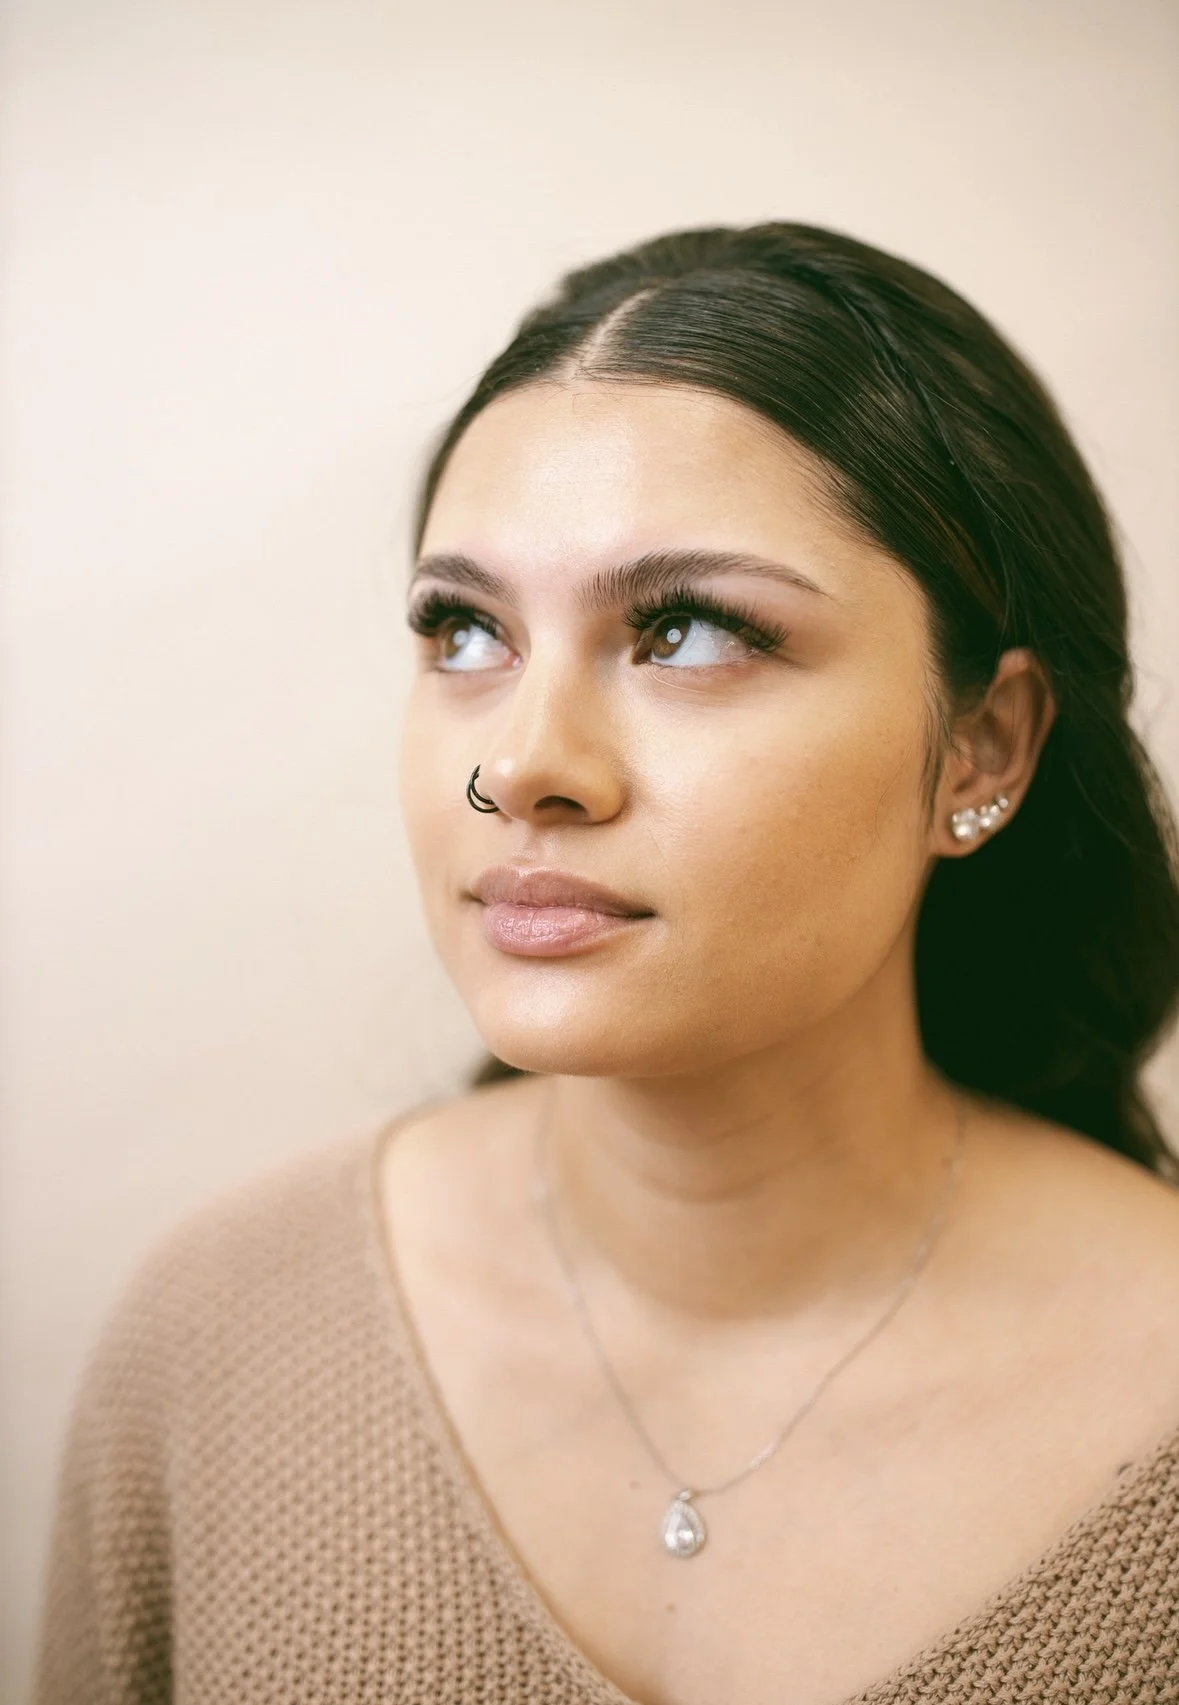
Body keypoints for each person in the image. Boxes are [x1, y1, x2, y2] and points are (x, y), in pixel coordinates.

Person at [32, 222, 1179, 1705]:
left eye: (687, 630)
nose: (519, 765)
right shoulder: (220, 1342)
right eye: (464, 631)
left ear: (982, 742)